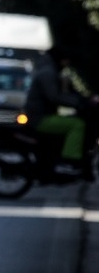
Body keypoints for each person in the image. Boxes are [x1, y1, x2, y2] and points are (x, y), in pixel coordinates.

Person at [23, 44, 99, 180]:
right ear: (61, 59)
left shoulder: (49, 69)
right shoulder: (48, 72)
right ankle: (70, 160)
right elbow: (55, 96)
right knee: (77, 124)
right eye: (66, 61)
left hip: (42, 115)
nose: (67, 64)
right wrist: (79, 103)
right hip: (40, 118)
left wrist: (82, 99)